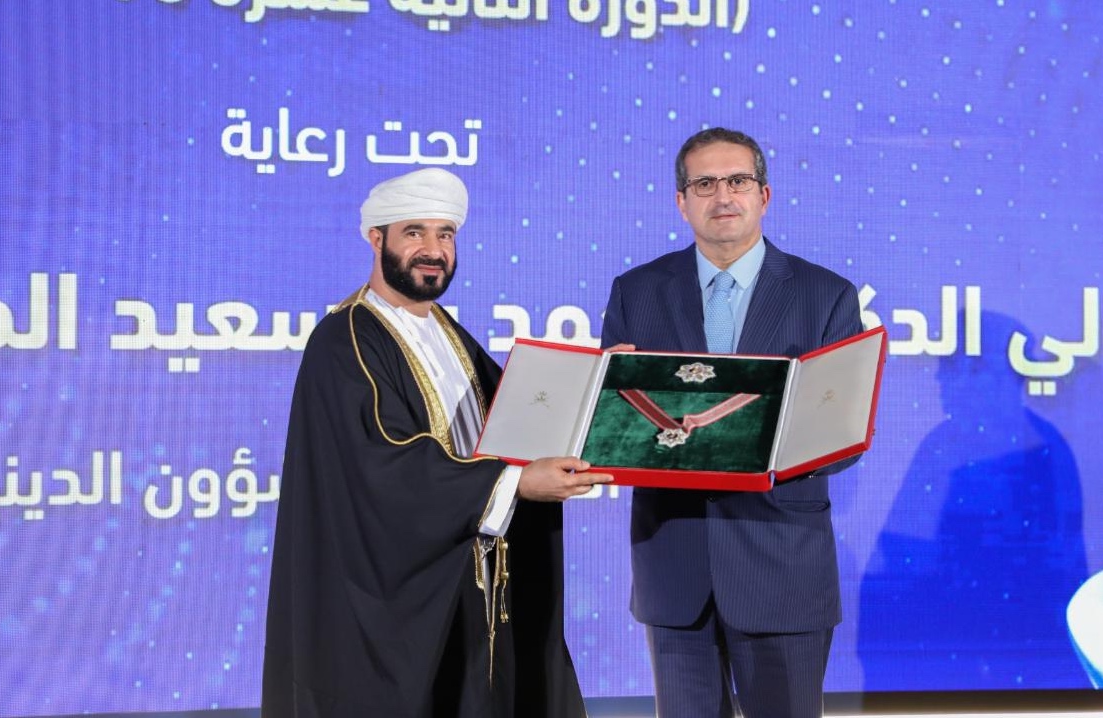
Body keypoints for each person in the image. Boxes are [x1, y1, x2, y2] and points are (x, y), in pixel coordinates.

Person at [262, 167, 608, 717]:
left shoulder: (446, 332)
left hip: (473, 585)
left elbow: (517, 415)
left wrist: (599, 388)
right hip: (395, 606)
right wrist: (516, 483)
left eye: (445, 234)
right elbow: (383, 465)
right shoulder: (345, 339)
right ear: (376, 238)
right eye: (414, 232)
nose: (433, 250)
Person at [599, 128, 864, 718]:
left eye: (738, 181)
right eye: (704, 184)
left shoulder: (825, 295)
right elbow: (613, 427)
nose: (722, 196)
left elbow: (843, 442)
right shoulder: (637, 292)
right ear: (681, 201)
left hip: (781, 565)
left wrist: (738, 440)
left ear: (764, 195)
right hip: (675, 566)